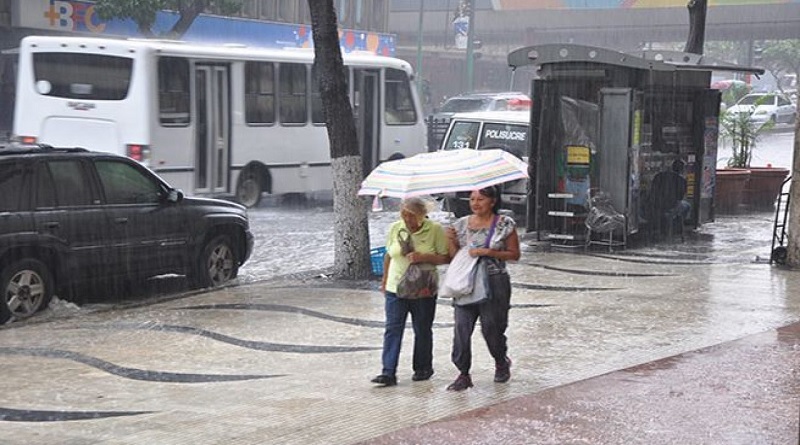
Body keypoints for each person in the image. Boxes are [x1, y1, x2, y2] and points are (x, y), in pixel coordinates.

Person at [444, 186, 521, 391]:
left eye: (480, 199)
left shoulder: (504, 224)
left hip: (494, 282)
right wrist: (450, 240)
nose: (475, 203)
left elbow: (514, 254)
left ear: (493, 201)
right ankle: (463, 373)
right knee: (461, 328)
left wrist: (488, 251)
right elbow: (455, 258)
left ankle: (501, 361)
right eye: (472, 199)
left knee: (492, 328)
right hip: (465, 282)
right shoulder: (459, 225)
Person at [371, 197, 450, 387]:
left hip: (423, 288)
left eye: (411, 216)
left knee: (422, 329)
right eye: (404, 215)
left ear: (422, 215)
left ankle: (423, 367)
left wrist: (424, 257)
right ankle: (388, 371)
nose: (407, 219)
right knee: (392, 329)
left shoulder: (435, 230)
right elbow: (389, 255)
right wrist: (384, 280)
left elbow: (446, 257)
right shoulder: (395, 228)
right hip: (395, 287)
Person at [649, 159, 691, 237]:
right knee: (687, 206)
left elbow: (652, 190)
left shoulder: (659, 175)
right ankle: (677, 227)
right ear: (682, 169)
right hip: (672, 205)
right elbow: (680, 197)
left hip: (656, 205)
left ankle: (666, 223)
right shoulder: (682, 180)